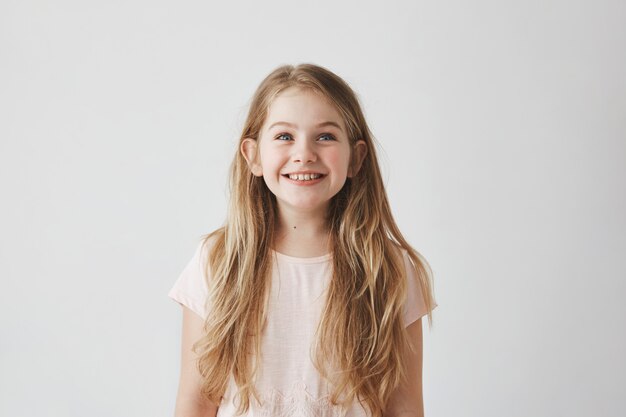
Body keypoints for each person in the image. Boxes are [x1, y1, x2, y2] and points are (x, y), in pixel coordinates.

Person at [168, 63, 438, 417]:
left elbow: (404, 408)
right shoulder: (217, 261)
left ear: (356, 158)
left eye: (325, 136)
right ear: (253, 156)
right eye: (284, 137)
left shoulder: (389, 269)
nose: (304, 153)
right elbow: (196, 401)